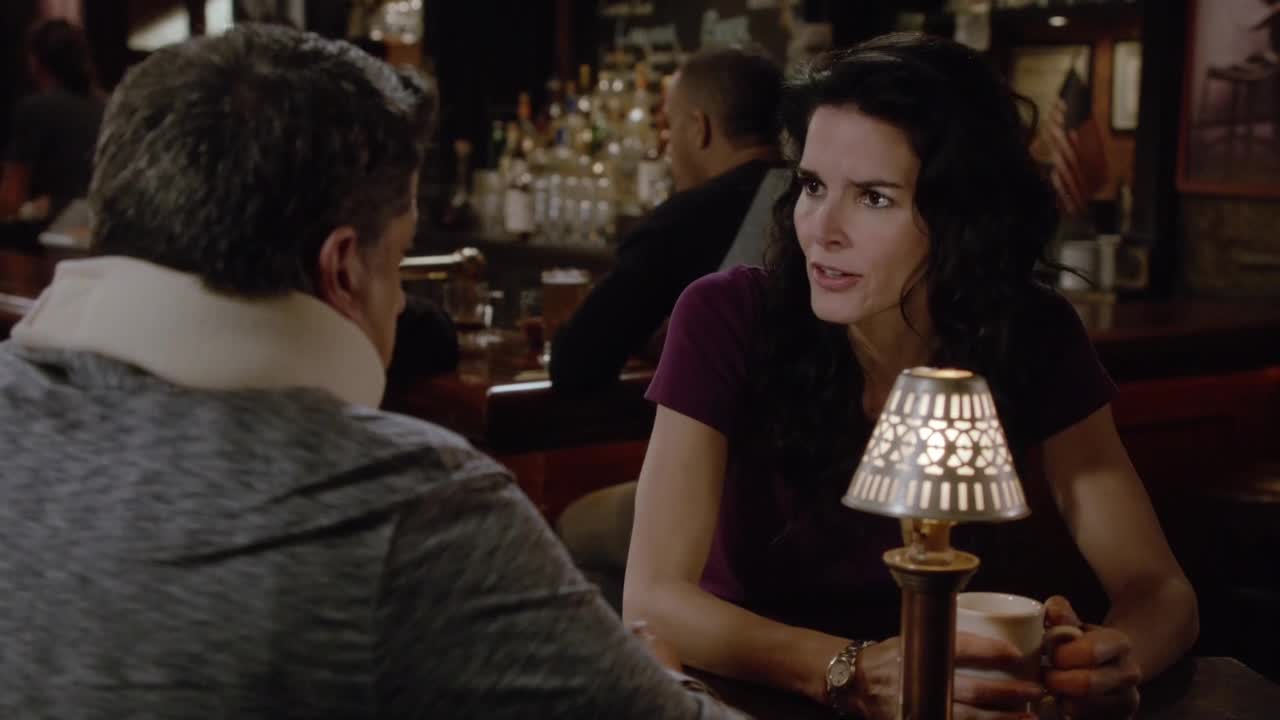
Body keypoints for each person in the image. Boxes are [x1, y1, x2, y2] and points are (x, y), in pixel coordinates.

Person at [0, 25, 744, 719]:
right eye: (401, 257)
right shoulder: (407, 505)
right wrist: (668, 678)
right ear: (344, 269)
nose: (399, 299)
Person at [623, 33, 1198, 720]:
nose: (821, 229)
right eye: (812, 186)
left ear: (959, 218)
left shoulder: (1030, 329)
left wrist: (1112, 660)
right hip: (751, 698)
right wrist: (848, 669)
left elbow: (1159, 588)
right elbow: (652, 599)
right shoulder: (728, 314)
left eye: (873, 198)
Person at [549, 46, 785, 393]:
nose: (665, 145)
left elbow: (576, 362)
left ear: (699, 128)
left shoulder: (684, 221)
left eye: (669, 125)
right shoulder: (817, 199)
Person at [0, 18, 104, 221]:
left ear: (35, 61)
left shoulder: (35, 109)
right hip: (101, 228)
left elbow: (11, 199)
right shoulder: (109, 105)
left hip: (53, 231)